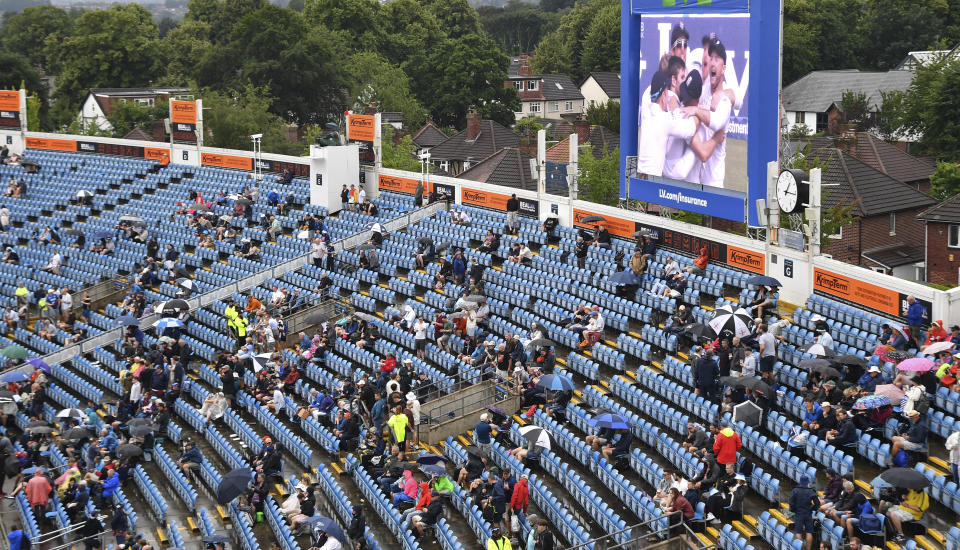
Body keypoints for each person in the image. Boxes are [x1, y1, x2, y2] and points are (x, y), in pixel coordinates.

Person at [789, 475, 819, 550]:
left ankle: (801, 548)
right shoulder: (811, 491)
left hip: (799, 514)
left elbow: (791, 503)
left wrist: (793, 510)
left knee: (798, 533)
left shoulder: (795, 490)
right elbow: (817, 504)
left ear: (800, 482)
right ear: (807, 482)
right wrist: (812, 508)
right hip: (808, 514)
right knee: (809, 532)